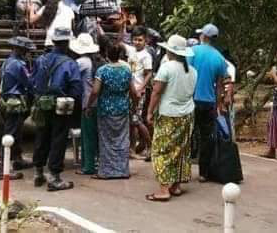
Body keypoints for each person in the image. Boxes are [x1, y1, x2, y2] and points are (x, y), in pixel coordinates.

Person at [145, 35, 198, 201]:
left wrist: (150, 112)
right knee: (180, 150)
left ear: (170, 50)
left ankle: (163, 189)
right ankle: (176, 185)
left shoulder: (167, 68)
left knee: (161, 150)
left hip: (169, 113)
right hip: (187, 113)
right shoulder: (192, 71)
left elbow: (156, 92)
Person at [30, 27, 82, 191]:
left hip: (42, 104)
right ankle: (55, 178)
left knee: (41, 136)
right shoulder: (69, 63)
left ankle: (38, 173)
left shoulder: (40, 60)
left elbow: (33, 81)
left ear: (53, 42)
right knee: (58, 140)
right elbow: (76, 88)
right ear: (67, 43)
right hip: (61, 106)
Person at [85, 42, 140, 179]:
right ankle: (122, 171)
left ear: (106, 55)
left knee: (105, 140)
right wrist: (134, 107)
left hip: (105, 110)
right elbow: (134, 92)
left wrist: (89, 105)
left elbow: (95, 91)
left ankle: (106, 172)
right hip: (122, 108)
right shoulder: (126, 70)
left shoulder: (102, 71)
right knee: (122, 140)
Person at [188, 23, 229, 182]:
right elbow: (220, 85)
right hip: (209, 102)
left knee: (188, 134)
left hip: (191, 100)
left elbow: (187, 73)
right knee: (206, 137)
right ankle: (203, 173)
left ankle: (183, 169)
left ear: (203, 36)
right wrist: (218, 105)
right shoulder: (219, 58)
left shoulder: (193, 51)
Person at [0, 36, 36, 180]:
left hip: (6, 101)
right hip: (15, 102)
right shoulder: (19, 65)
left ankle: (17, 160)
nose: (28, 53)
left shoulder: (6, 62)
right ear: (21, 50)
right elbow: (29, 83)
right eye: (26, 50)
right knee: (10, 134)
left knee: (16, 132)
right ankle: (2, 169)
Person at [70, 33, 100, 176]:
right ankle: (96, 162)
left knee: (87, 136)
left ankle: (88, 166)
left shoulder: (81, 62)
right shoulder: (94, 61)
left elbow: (71, 76)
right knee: (95, 134)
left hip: (87, 103)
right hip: (97, 103)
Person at [128, 26, 153, 160]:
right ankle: (132, 148)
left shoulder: (146, 55)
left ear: (145, 41)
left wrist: (141, 88)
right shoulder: (131, 51)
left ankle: (150, 147)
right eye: (135, 40)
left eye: (140, 40)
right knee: (132, 121)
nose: (137, 42)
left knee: (137, 120)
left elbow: (149, 74)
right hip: (130, 90)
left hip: (139, 91)